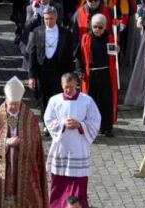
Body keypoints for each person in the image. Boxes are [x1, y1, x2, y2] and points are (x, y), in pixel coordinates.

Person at [0, 76, 49, 207]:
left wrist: (22, 143)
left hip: (24, 172)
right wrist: (7, 143)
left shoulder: (30, 118)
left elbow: (35, 145)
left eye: (16, 104)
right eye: (10, 104)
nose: (13, 107)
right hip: (1, 171)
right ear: (6, 101)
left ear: (21, 102)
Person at [44, 73, 101, 208]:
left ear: (76, 84)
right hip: (61, 147)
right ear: (61, 85)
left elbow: (95, 120)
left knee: (78, 184)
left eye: (70, 87)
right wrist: (63, 124)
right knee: (59, 183)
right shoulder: (54, 101)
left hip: (78, 147)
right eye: (65, 87)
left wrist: (80, 125)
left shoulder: (87, 101)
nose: (68, 90)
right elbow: (48, 119)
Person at [27, 6, 75, 128]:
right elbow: (32, 54)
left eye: (51, 19)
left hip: (59, 71)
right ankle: (46, 124)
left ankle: (59, 123)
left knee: (59, 98)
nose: (49, 22)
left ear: (56, 17)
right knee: (44, 98)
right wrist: (31, 76)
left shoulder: (66, 33)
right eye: (46, 19)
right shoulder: (37, 31)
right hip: (43, 71)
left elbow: (70, 56)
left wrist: (71, 76)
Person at [75, 14, 117, 137]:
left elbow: (116, 59)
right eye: (95, 27)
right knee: (91, 101)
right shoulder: (85, 38)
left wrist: (117, 51)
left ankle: (107, 127)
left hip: (106, 73)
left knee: (106, 101)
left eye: (100, 27)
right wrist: (79, 71)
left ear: (105, 27)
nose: (97, 30)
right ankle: (91, 127)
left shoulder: (110, 38)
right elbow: (78, 57)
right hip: (90, 74)